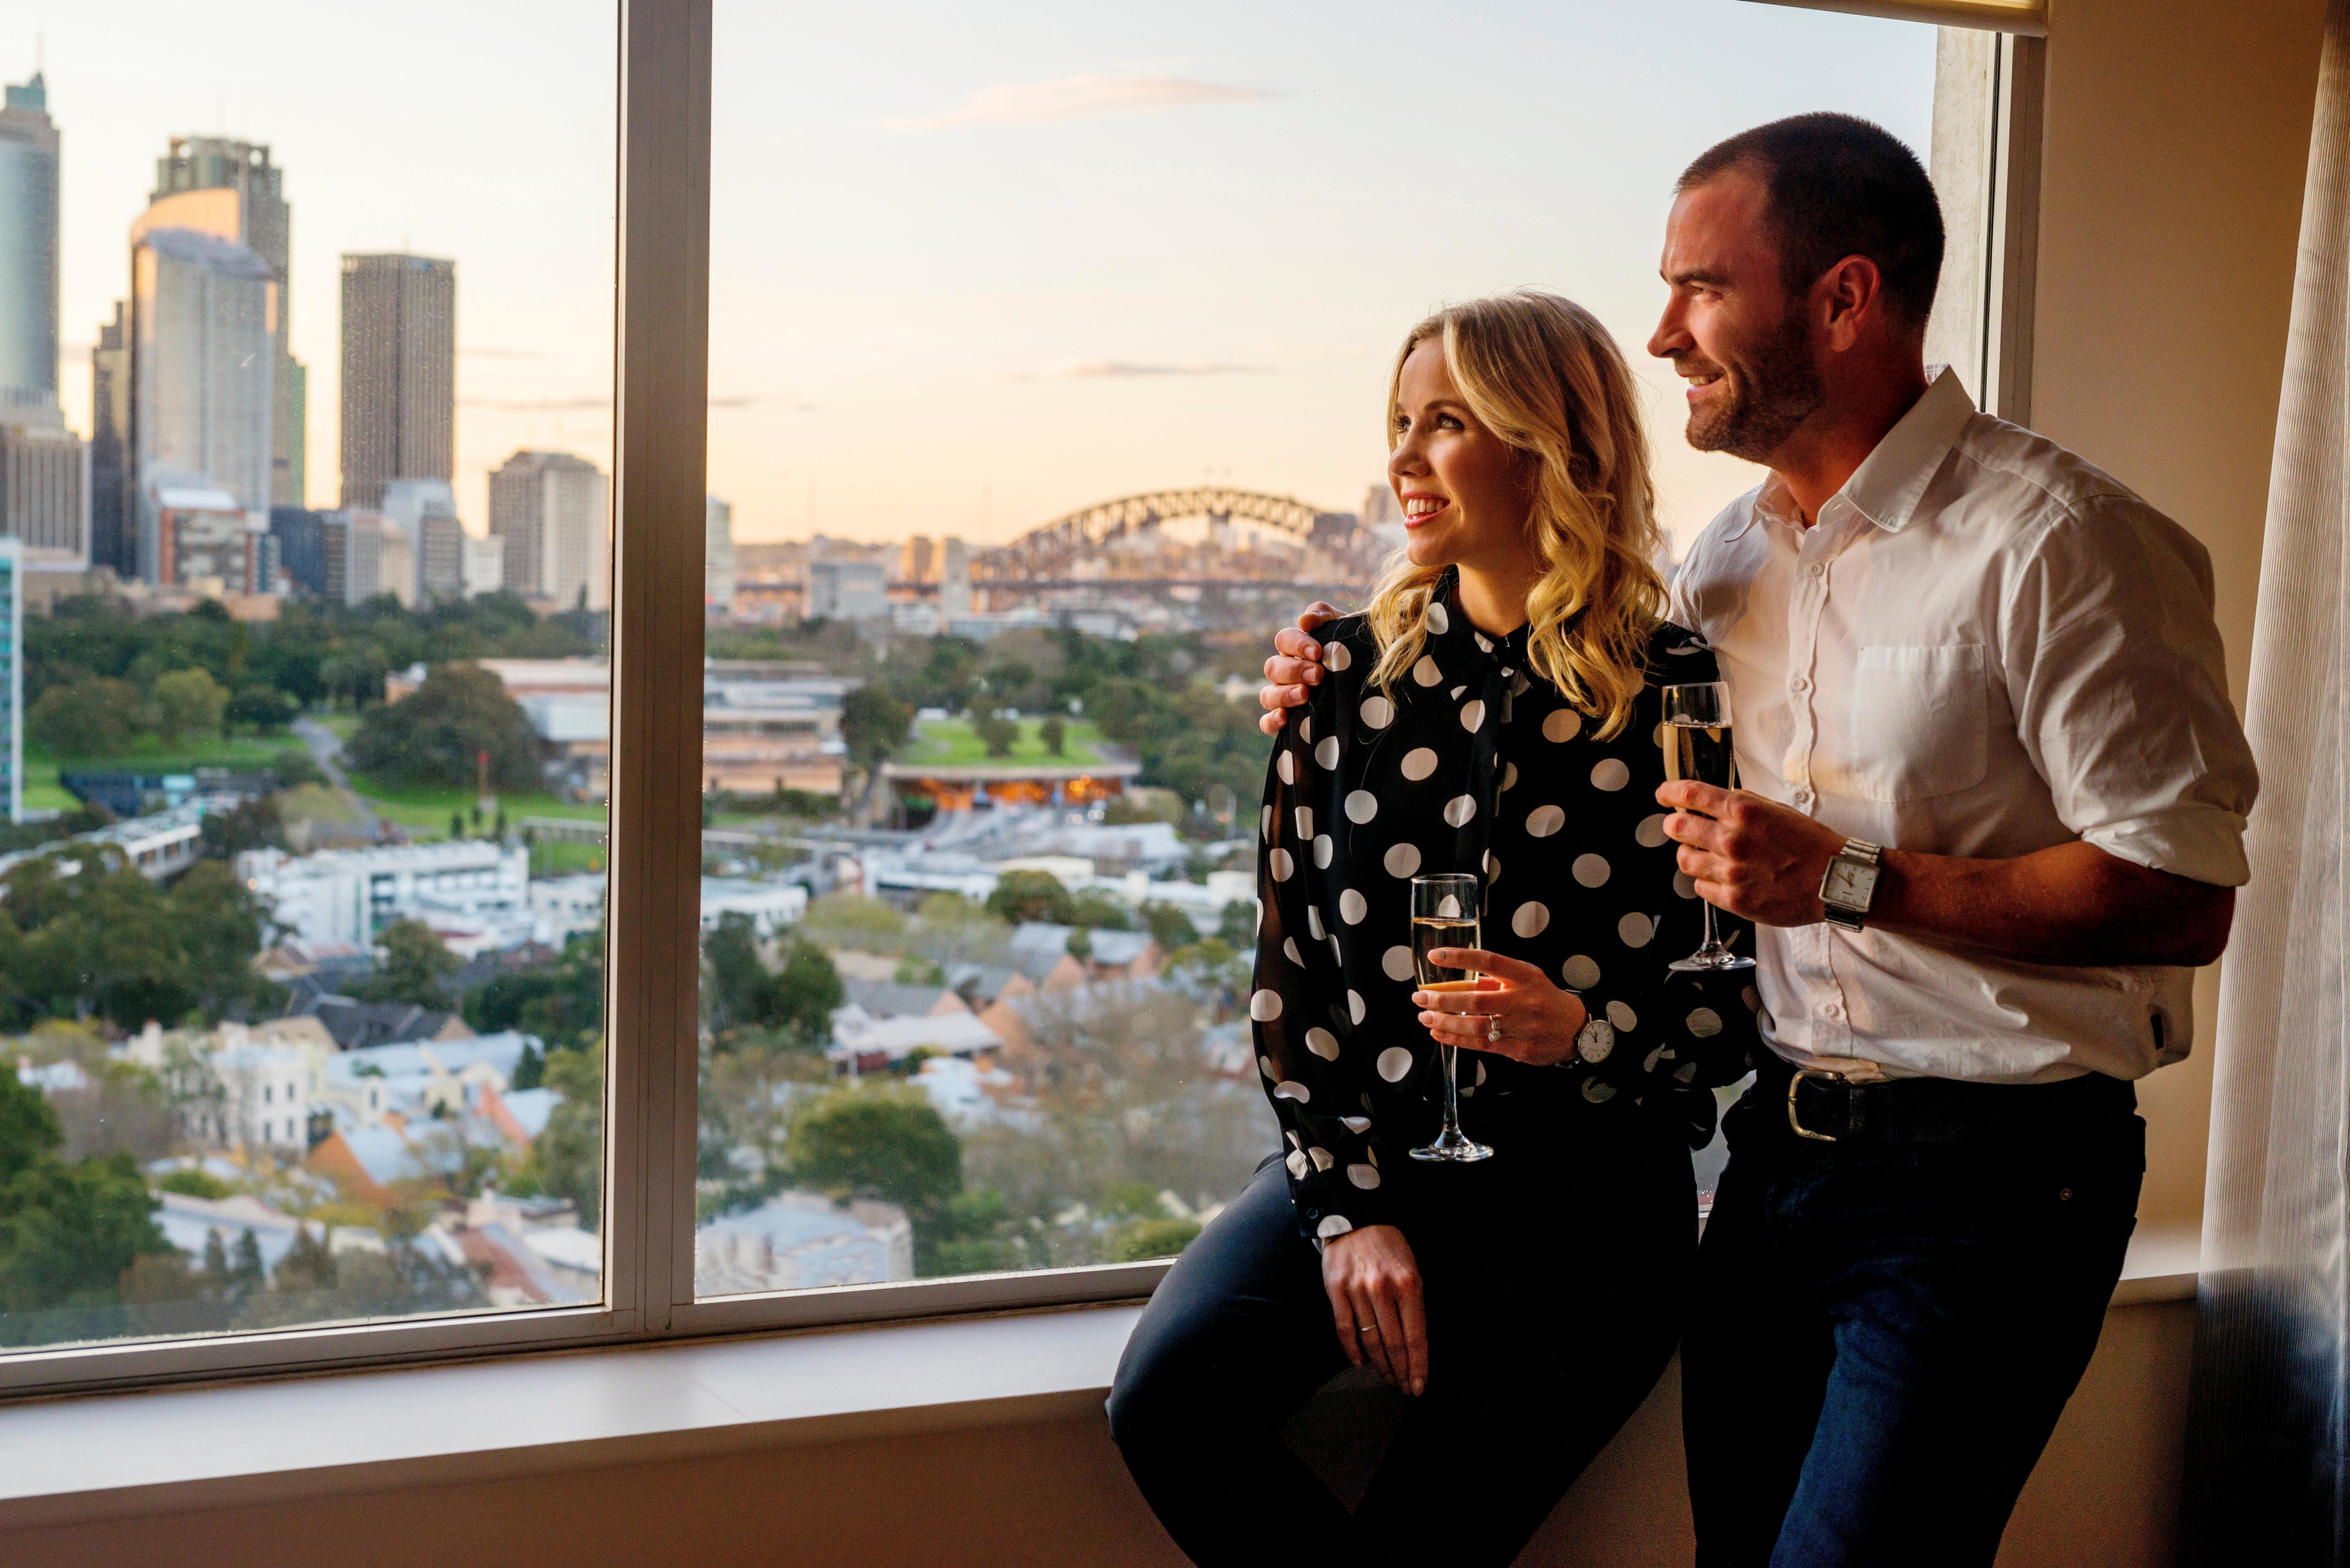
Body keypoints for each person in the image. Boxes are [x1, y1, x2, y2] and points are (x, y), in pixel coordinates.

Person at [1256, 114, 2260, 1567]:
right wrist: (1320, 671)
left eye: (1701, 290)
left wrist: (1847, 879)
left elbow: (2181, 895)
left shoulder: (2061, 543)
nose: (1662, 333)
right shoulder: (1719, 567)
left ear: (1843, 300)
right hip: (1772, 1168)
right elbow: (1524, 678)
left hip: (1989, 1182)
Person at [1108, 291, 1757, 1566]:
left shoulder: (1681, 689)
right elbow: (1290, 980)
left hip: (1588, 1209)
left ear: (1551, 444)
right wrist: (1349, 1212)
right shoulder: (1338, 676)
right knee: (1168, 1403)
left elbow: (1732, 992)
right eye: (1400, 422)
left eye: (1446, 421)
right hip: (1379, 1154)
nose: (1401, 459)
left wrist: (1585, 1030)